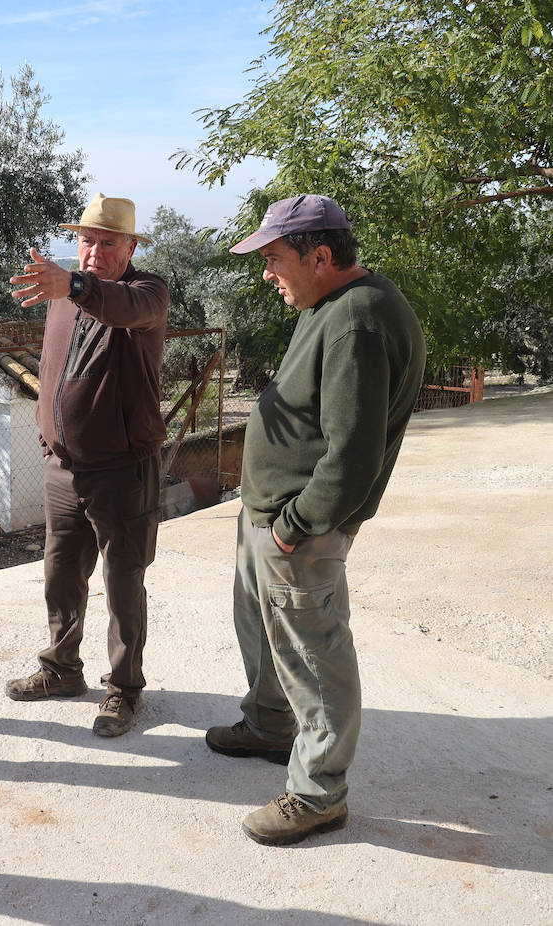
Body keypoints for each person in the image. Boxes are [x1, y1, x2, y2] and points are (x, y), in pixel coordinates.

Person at [208, 194, 425, 846]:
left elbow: (352, 455)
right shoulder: (327, 304)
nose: (267, 273)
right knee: (267, 628)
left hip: (299, 527)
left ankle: (319, 793)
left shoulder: (357, 319)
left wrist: (295, 524)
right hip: (271, 515)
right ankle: (273, 725)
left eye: (275, 259)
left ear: (320, 256)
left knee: (314, 652)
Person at [6, 193, 169, 738]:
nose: (94, 250)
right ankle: (61, 669)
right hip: (64, 467)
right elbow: (53, 367)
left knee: (123, 583)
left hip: (123, 468)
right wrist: (47, 432)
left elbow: (119, 307)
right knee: (60, 574)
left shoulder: (147, 294)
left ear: (129, 247)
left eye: (106, 241)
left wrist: (73, 284)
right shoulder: (62, 296)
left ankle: (123, 689)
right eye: (86, 240)